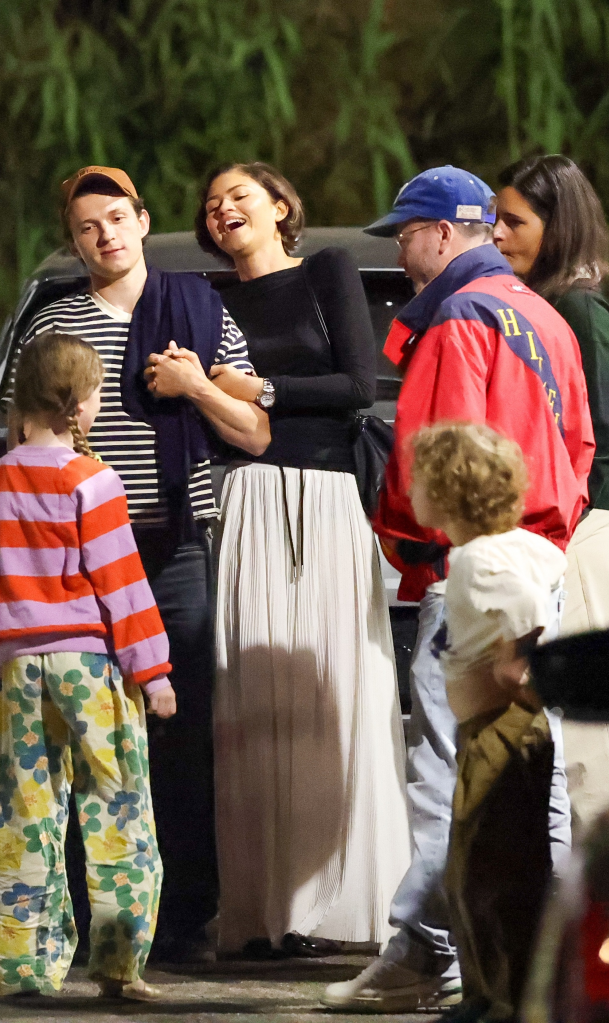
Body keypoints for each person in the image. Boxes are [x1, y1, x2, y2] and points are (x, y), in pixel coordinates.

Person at [322, 165, 594, 1013]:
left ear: (442, 234)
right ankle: (536, 959)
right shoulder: (544, 315)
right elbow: (582, 450)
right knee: (533, 771)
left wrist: (415, 546)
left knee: (455, 770)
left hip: (467, 566)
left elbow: (430, 459)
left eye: (405, 234)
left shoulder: (456, 320)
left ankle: (428, 950)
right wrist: (544, 543)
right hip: (541, 564)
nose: (400, 251)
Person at [152, 161, 411, 955]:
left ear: (279, 206)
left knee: (334, 687)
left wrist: (259, 388)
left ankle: (344, 903)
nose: (223, 209)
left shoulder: (326, 271)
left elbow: (356, 385)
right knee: (253, 701)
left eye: (239, 195)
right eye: (211, 203)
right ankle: (262, 910)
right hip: (243, 499)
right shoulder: (206, 300)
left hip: (325, 499)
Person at [16, 166, 270, 961]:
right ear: (74, 242)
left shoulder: (198, 307)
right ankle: (98, 914)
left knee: (181, 730)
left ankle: (185, 914)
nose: (106, 235)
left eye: (117, 217)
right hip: (80, 559)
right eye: (88, 226)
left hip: (176, 545)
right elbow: (24, 438)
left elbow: (254, 429)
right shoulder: (53, 325)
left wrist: (194, 385)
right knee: (88, 734)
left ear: (143, 220)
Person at [0, 332, 175, 1000]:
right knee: (117, 807)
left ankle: (22, 967)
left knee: (24, 816)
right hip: (88, 667)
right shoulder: (92, 480)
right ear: (81, 405)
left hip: (21, 669)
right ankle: (119, 964)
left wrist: (2, 662)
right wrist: (153, 671)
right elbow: (122, 583)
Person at [493, 154, 609, 830]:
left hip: (587, 530)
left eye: (514, 221)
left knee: (594, 735)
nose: (498, 234)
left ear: (558, 226)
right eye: (495, 219)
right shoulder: (549, 303)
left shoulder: (580, 308)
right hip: (568, 529)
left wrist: (557, 532)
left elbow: (608, 442)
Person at [409, 422, 567, 1022]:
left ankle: (502, 999)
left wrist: (515, 661)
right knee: (492, 867)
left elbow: (526, 607)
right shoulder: (518, 545)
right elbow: (550, 569)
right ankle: (493, 992)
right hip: (503, 728)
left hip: (499, 729)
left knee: (488, 872)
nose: (410, 487)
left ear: (449, 491)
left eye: (419, 478)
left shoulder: (476, 559)